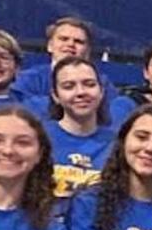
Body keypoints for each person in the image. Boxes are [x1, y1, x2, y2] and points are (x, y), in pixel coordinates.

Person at [45, 56, 116, 198]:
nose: (81, 92)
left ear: (101, 92)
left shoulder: (118, 145)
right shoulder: (39, 138)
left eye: (89, 84)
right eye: (69, 86)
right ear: (55, 96)